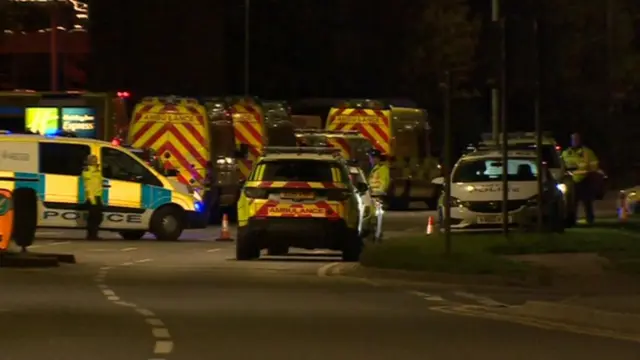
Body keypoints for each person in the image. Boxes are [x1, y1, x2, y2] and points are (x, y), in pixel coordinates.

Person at [561, 133, 599, 225]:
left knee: (587, 202)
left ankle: (590, 220)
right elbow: (562, 166)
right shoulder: (566, 153)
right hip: (571, 181)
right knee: (571, 203)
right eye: (573, 139)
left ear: (580, 140)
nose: (575, 141)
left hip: (585, 180)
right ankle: (571, 221)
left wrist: (590, 173)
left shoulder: (588, 152)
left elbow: (594, 166)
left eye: (576, 139)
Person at [82, 154, 104, 240]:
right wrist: (92, 199)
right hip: (92, 197)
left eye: (96, 160)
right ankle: (91, 235)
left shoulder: (96, 170)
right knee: (94, 217)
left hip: (98, 196)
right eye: (93, 160)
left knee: (97, 217)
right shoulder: (87, 170)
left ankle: (93, 234)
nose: (95, 161)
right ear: (89, 161)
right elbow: (89, 186)